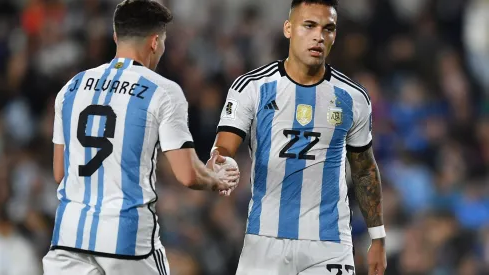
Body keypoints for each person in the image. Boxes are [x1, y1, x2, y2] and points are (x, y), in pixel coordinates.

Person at [42, 1, 239, 274]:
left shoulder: (71, 87)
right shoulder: (162, 91)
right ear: (155, 42)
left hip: (68, 237)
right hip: (126, 240)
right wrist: (215, 179)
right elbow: (187, 175)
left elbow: (59, 172)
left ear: (115, 36)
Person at [210, 0, 387, 274]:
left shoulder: (353, 97)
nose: (319, 35)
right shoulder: (253, 87)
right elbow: (225, 144)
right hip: (265, 240)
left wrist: (377, 236)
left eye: (328, 28)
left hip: (329, 243)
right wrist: (222, 162)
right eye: (309, 26)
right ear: (288, 29)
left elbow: (364, 169)